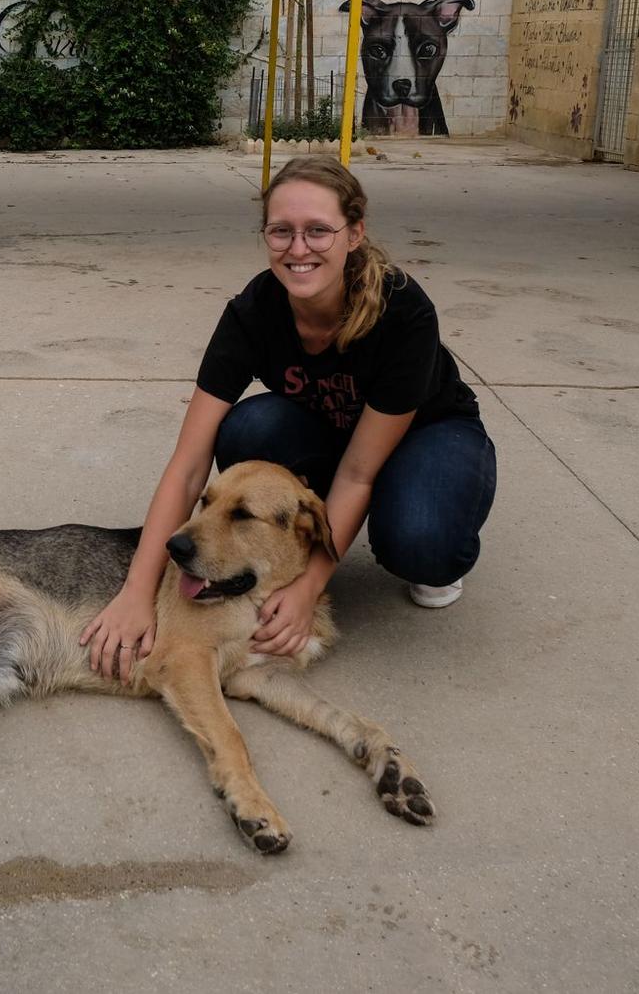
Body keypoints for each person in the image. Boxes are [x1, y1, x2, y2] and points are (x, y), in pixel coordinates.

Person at [80, 156, 496, 680]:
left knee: (418, 539)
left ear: (355, 233)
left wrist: (307, 588)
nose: (298, 249)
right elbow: (189, 464)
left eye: (318, 231)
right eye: (282, 232)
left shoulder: (403, 312)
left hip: (428, 434)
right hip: (331, 431)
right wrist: (137, 593)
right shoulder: (253, 312)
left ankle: (417, 524)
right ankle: (319, 527)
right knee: (249, 429)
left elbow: (359, 473)